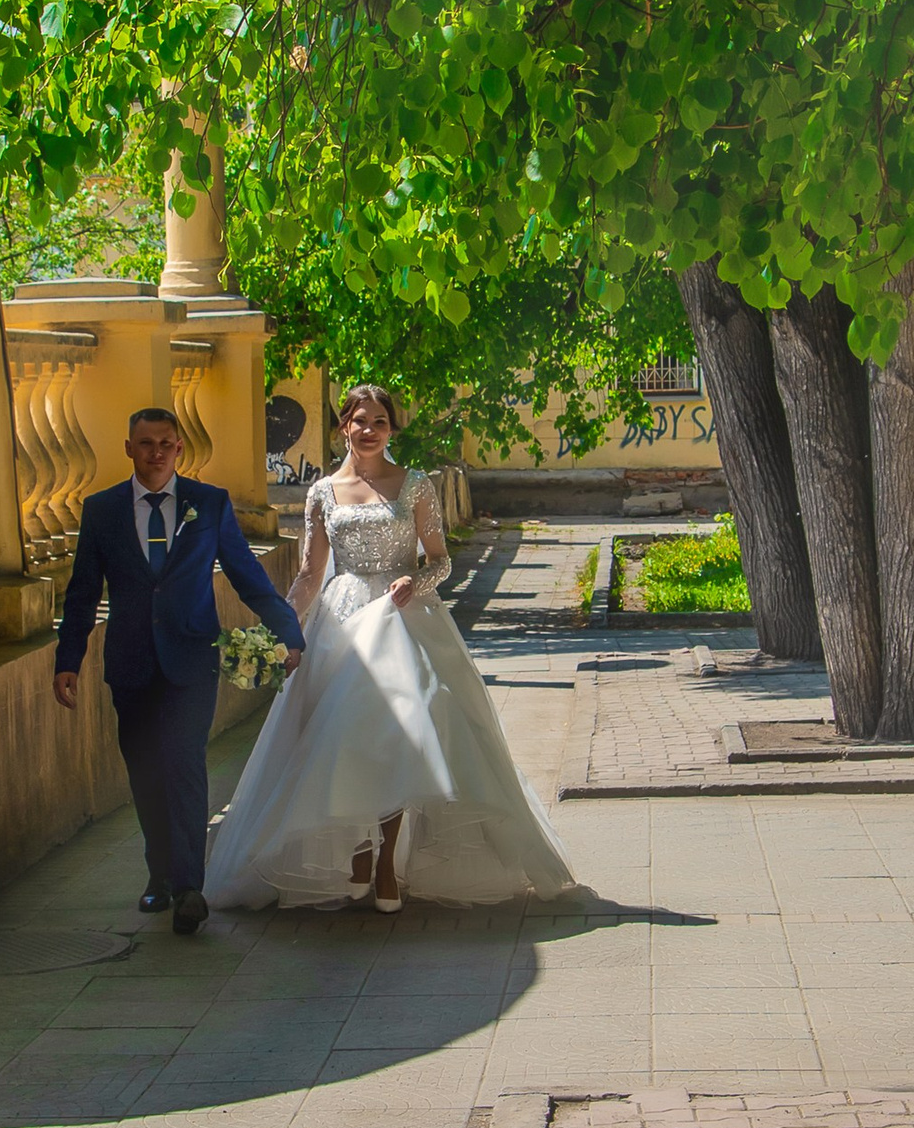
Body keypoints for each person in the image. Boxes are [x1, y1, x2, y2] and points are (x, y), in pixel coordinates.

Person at [206, 382, 575, 912]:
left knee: (398, 737)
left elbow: (440, 560)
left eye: (380, 421)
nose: (370, 430)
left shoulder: (416, 484)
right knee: (345, 739)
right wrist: (282, 629)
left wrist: (415, 583)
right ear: (343, 427)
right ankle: (359, 853)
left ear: (391, 429)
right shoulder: (322, 491)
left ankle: (385, 863)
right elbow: (310, 572)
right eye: (361, 420)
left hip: (404, 619)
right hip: (342, 620)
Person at [53, 408, 305, 933]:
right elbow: (81, 592)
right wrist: (67, 661)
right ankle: (159, 876)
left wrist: (288, 630)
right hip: (129, 661)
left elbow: (245, 573)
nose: (157, 452)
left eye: (167, 443)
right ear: (129, 448)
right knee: (145, 772)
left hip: (191, 658)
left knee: (186, 763)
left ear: (179, 448)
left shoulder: (207, 504)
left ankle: (190, 886)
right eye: (146, 443)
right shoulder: (101, 511)